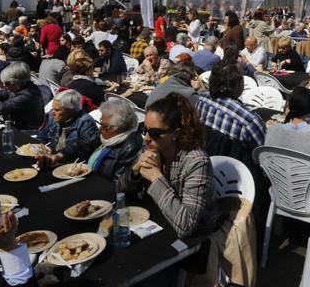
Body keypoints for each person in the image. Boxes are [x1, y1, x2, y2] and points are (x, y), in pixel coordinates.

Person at [117, 93, 218, 238]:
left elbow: (186, 226)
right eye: (144, 130)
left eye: (155, 133)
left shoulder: (196, 162)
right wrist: (135, 171)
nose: (147, 138)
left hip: (197, 239)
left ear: (175, 134)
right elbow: (120, 192)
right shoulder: (151, 148)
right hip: (158, 223)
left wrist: (156, 178)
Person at [195, 62, 265, 158]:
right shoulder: (249, 121)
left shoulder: (201, 100)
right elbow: (262, 154)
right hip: (237, 169)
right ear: (237, 85)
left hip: (205, 157)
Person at [83, 98, 143, 180]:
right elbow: (84, 143)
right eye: (100, 123)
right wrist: (62, 153)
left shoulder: (131, 148)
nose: (100, 129)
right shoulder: (107, 134)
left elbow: (119, 183)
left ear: (121, 127)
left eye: (105, 126)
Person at [36, 89, 101, 164]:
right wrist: (43, 149)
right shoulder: (53, 116)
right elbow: (42, 136)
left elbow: (82, 148)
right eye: (53, 108)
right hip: (50, 158)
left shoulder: (85, 122)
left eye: (57, 110)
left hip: (70, 163)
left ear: (70, 110)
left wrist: (59, 155)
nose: (52, 112)